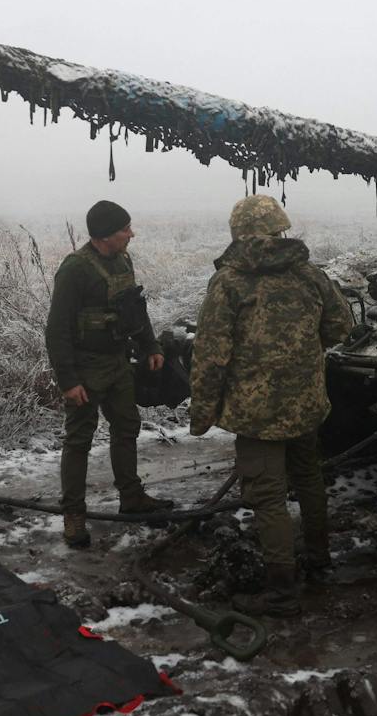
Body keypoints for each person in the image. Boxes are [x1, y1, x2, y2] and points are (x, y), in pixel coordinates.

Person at [187, 195, 355, 618]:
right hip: (306, 403)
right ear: (281, 228)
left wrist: (202, 414)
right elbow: (341, 326)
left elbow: (211, 355)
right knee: (309, 478)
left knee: (267, 495)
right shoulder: (310, 274)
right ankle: (319, 561)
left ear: (237, 233)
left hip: (257, 414)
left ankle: (281, 590)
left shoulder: (229, 282)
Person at [46, 200, 173, 549]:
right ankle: (73, 515)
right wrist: (69, 381)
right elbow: (57, 330)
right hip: (85, 369)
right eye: (124, 229)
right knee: (79, 441)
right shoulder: (74, 270)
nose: (131, 234)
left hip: (118, 363)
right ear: (105, 234)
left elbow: (134, 310)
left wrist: (151, 346)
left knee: (127, 428)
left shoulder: (123, 261)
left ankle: (131, 498)